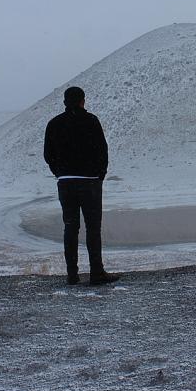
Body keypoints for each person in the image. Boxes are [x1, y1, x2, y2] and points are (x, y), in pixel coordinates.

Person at [44, 86, 120, 286]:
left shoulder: (54, 124)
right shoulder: (91, 121)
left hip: (66, 182)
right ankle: (96, 272)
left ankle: (72, 274)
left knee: (70, 226)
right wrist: (99, 174)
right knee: (93, 227)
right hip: (90, 182)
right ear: (82, 101)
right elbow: (103, 150)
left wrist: (59, 172)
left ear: (64, 102)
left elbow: (47, 154)